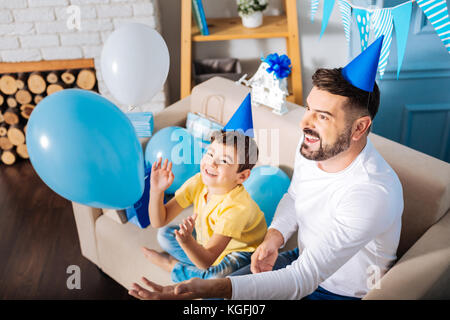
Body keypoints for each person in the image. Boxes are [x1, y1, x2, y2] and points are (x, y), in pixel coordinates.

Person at [128, 37, 404, 300]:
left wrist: (210, 289)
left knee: (217, 291)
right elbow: (296, 197)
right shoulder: (312, 145)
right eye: (308, 108)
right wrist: (274, 236)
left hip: (339, 291)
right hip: (300, 258)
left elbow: (302, 279)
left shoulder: (371, 193)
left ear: (359, 127)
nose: (304, 123)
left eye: (322, 116)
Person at [141, 129, 267, 283]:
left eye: (225, 161)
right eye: (210, 154)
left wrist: (187, 242)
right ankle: (196, 260)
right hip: (206, 240)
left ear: (242, 176)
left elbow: (206, 261)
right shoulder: (199, 181)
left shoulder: (237, 208)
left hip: (241, 251)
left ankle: (172, 266)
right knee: (164, 234)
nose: (212, 163)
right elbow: (159, 221)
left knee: (216, 278)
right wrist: (156, 191)